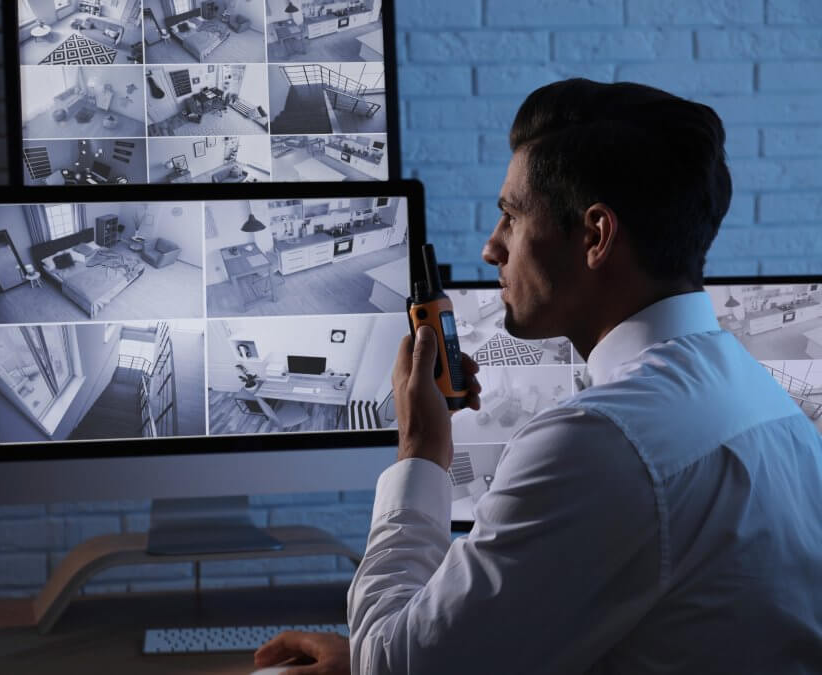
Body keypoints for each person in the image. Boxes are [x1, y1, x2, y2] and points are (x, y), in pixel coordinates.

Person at [254, 79, 822, 674]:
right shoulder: (761, 397)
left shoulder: (599, 441)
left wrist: (420, 447)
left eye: (511, 217)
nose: (491, 249)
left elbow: (400, 669)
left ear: (595, 236)